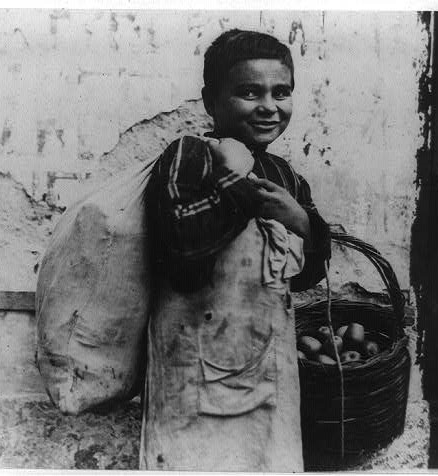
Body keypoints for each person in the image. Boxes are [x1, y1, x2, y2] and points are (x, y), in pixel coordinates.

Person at [141, 29, 331, 472]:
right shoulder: (190, 156)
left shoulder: (286, 176)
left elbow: (304, 274)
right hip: (195, 382)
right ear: (212, 101)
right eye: (249, 92)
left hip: (270, 377)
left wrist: (300, 221)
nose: (269, 106)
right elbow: (183, 253)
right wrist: (238, 181)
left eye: (281, 92)